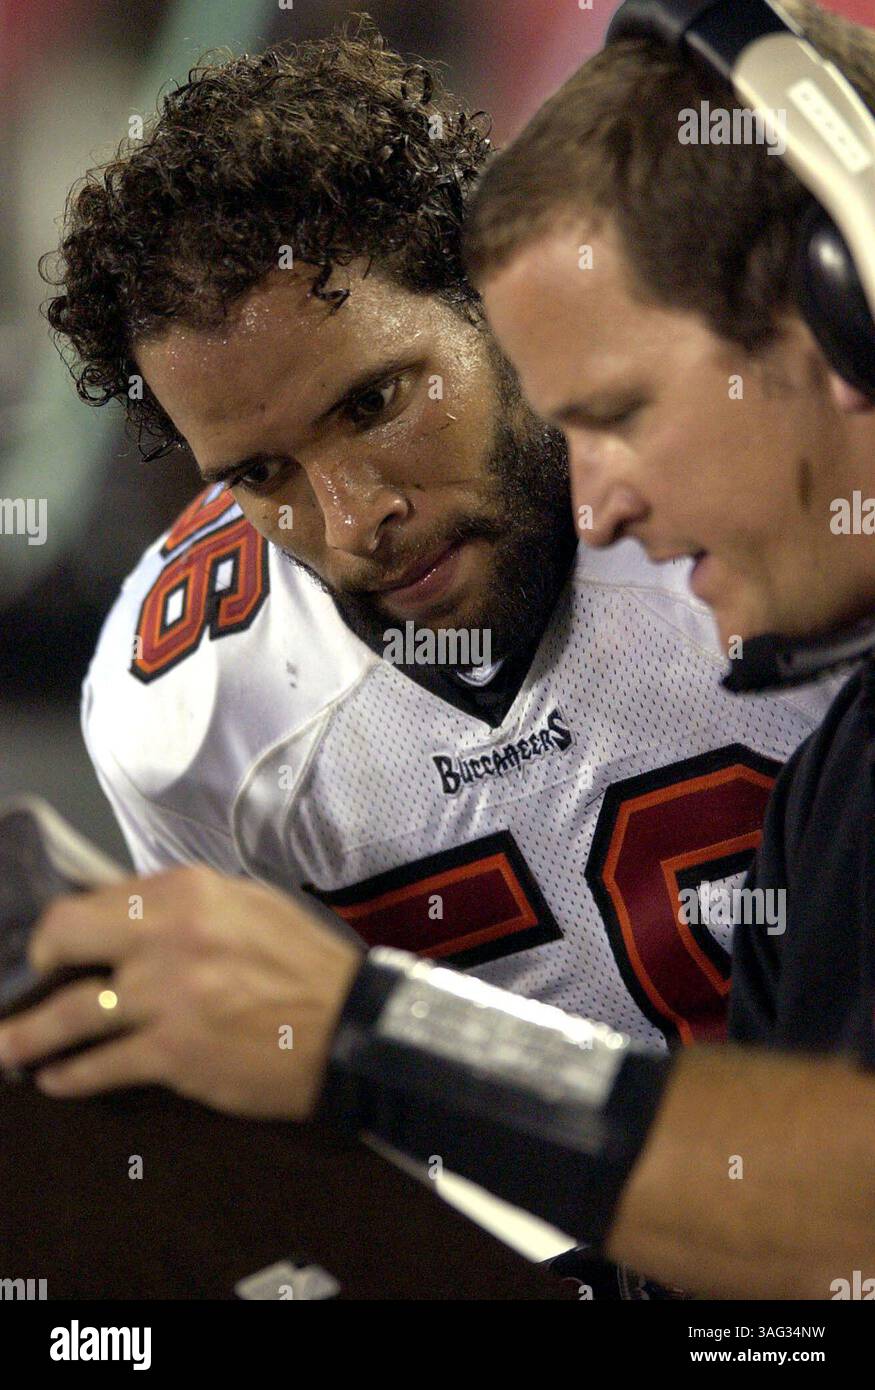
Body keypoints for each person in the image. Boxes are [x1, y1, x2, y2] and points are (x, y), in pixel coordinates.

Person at [3, 7, 874, 1301]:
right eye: (258, 472)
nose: (354, 519)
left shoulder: (761, 534)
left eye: (376, 400)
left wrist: (374, 1033)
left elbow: (837, 1214)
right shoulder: (184, 697)